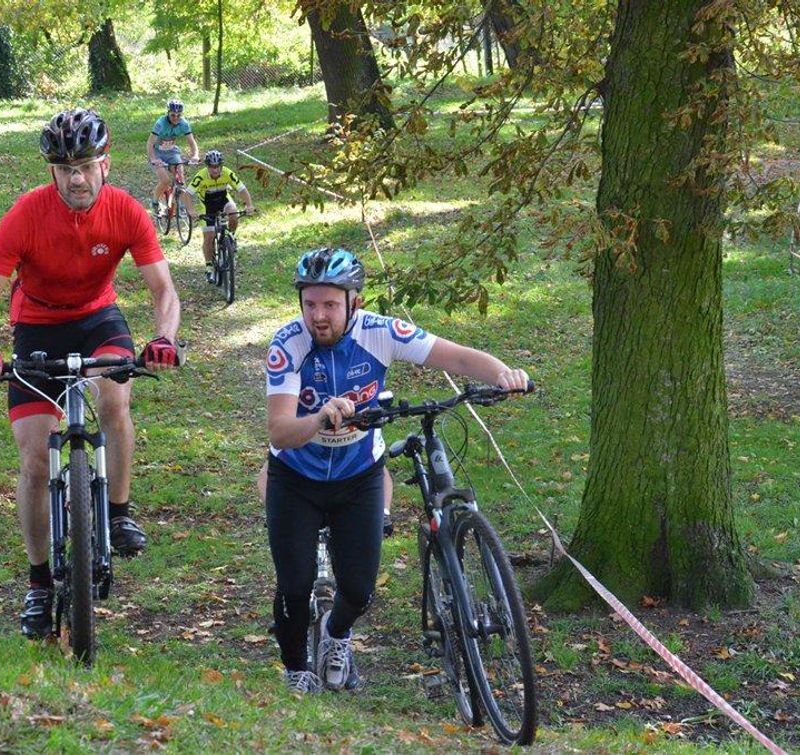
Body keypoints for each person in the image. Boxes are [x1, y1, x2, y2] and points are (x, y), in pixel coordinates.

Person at [264, 247, 530, 694]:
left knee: (361, 590)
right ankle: (296, 669)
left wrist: (503, 373)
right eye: (310, 304)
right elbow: (280, 429)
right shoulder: (287, 344)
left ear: (355, 303)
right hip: (296, 479)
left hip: (359, 476)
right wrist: (320, 418)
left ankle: (335, 635)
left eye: (330, 304)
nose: (318, 316)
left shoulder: (380, 332)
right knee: (294, 587)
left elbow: (456, 357)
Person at [0, 108, 182, 641]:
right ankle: (39, 584)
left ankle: (120, 510)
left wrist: (164, 339)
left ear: (104, 164)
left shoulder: (126, 211)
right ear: (52, 172)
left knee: (115, 398)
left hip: (97, 319)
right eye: (64, 168)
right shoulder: (26, 215)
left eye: (84, 165)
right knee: (36, 460)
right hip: (36, 327)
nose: (76, 178)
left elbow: (164, 291)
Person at [180, 150, 256, 282]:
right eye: (211, 167)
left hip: (223, 200)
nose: (215, 170)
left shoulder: (227, 172)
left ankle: (231, 237)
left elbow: (242, 189)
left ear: (221, 166)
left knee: (233, 212)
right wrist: (191, 210)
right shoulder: (201, 176)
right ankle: (209, 266)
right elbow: (187, 194)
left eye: (217, 167)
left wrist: (249, 205)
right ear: (207, 167)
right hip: (207, 205)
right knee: (209, 236)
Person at [146, 99, 199, 216]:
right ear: (168, 113)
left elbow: (191, 141)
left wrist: (195, 155)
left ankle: (181, 206)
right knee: (165, 181)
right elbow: (150, 143)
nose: (176, 118)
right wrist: (153, 159)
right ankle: (154, 202)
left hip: (172, 152)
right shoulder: (160, 123)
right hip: (157, 153)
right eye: (173, 115)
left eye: (178, 115)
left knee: (181, 179)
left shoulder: (184, 124)